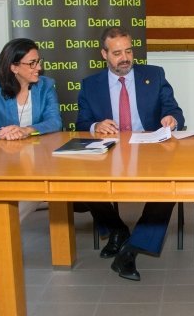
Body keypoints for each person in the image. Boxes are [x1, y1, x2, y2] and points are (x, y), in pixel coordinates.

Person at [76, 26, 185, 281]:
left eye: (128, 51)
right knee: (86, 180)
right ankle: (117, 231)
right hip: (110, 150)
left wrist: (171, 119)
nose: (124, 58)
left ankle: (131, 249)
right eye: (116, 53)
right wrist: (96, 126)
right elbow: (81, 123)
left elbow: (174, 110)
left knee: (169, 187)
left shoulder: (154, 75)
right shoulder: (90, 85)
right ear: (104, 54)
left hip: (149, 148)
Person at [0, 37, 62, 266]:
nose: (38, 68)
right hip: (6, 157)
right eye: (31, 63)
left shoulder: (46, 85)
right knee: (7, 189)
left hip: (39, 156)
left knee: (34, 188)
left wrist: (27, 130)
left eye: (38, 61)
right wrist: (0, 132)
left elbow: (55, 122)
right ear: (14, 67)